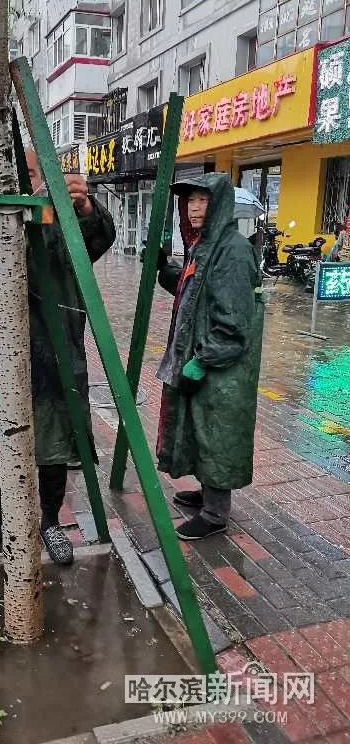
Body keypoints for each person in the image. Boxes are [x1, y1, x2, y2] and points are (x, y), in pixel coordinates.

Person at [0, 150, 115, 568]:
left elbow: (98, 240)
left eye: (28, 175)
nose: (19, 185)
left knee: (53, 450)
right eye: (9, 177)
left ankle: (48, 523)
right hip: (5, 362)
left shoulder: (58, 222)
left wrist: (85, 209)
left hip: (55, 358)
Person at [156, 173, 264, 540]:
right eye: (189, 201)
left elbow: (234, 324)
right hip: (203, 360)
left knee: (216, 434)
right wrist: (165, 271)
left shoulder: (231, 250)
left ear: (218, 204)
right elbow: (196, 292)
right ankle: (207, 493)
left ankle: (216, 513)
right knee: (199, 431)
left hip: (220, 368)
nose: (194, 207)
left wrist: (201, 361)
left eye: (202, 200)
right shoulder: (204, 245)